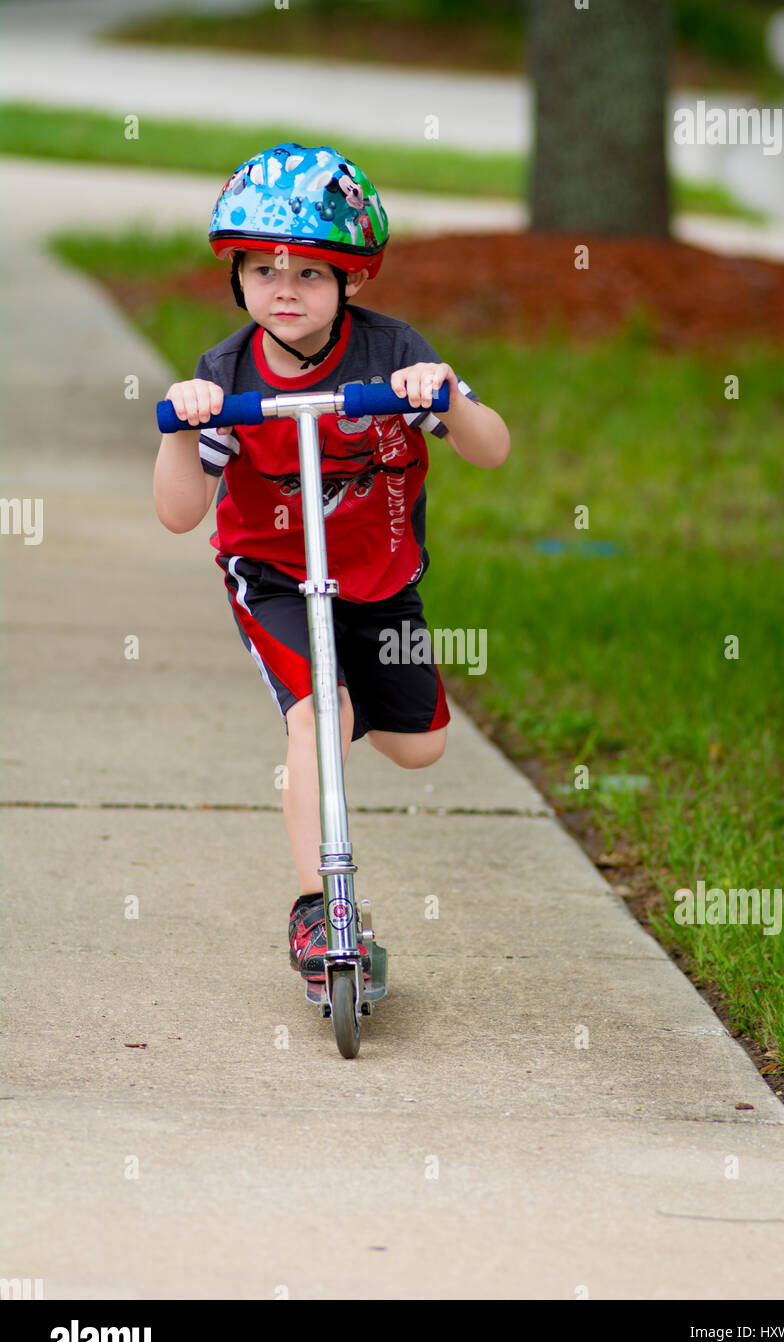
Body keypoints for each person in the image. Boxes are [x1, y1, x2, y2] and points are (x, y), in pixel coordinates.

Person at [153, 143, 509, 983]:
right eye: (264, 269)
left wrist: (449, 395)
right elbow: (178, 516)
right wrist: (177, 425)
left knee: (419, 748)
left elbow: (490, 452)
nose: (285, 288)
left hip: (379, 575)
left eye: (311, 273)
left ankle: (350, 714)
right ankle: (323, 907)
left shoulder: (392, 356)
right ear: (235, 275)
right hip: (273, 575)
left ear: (352, 281)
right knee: (322, 715)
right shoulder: (226, 374)